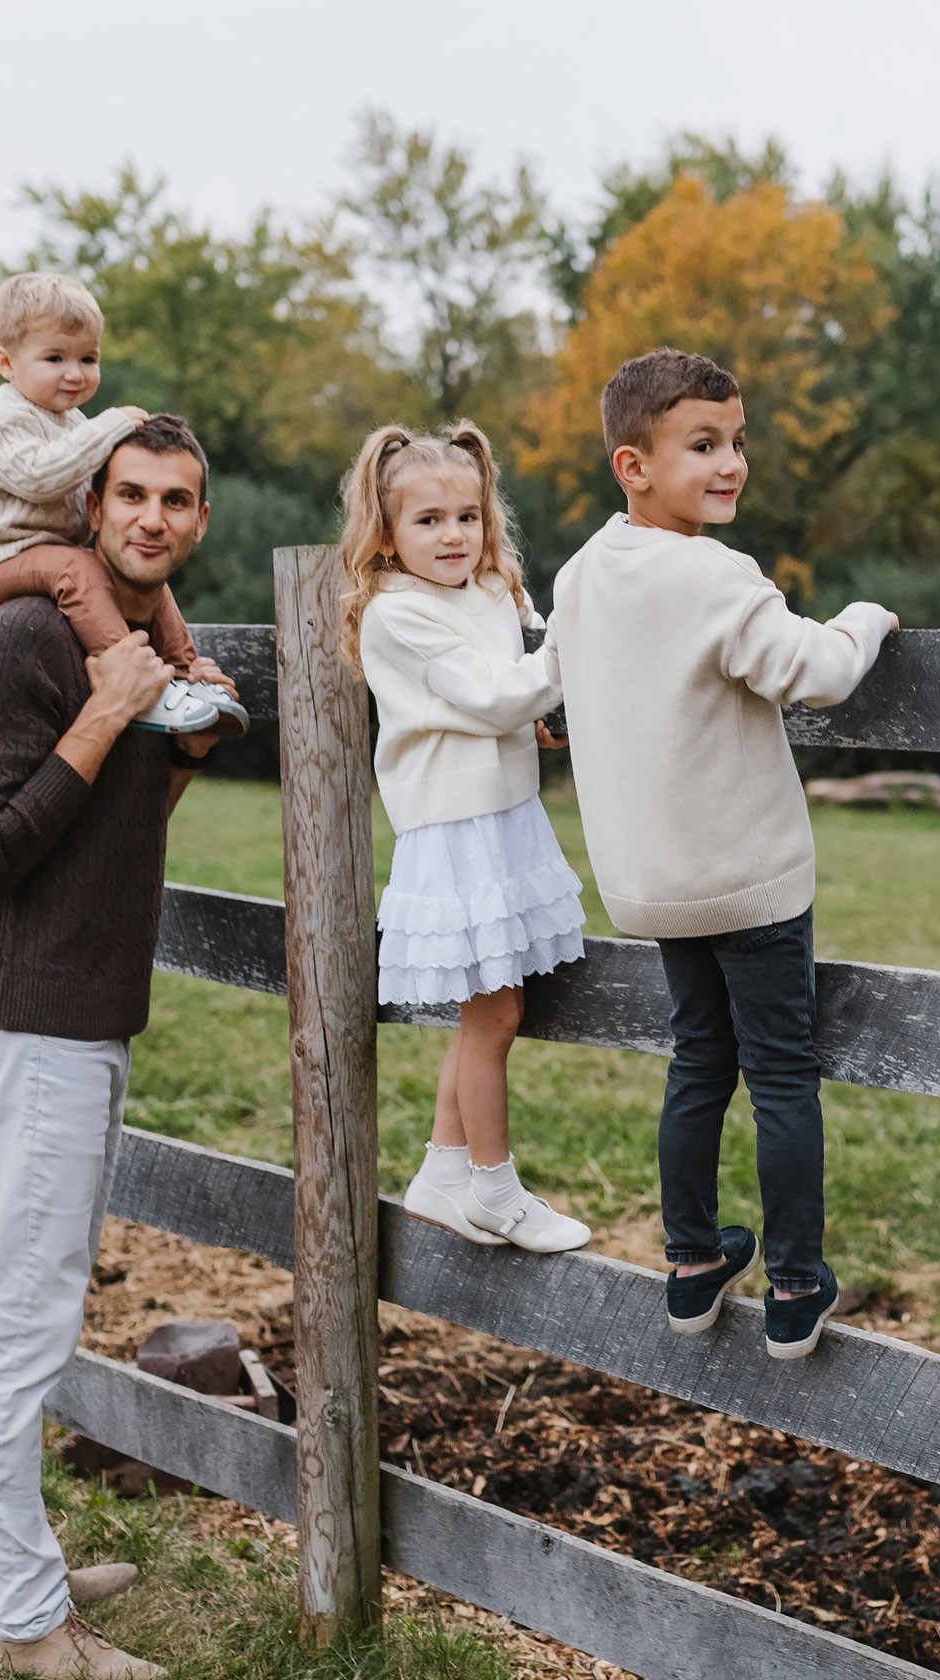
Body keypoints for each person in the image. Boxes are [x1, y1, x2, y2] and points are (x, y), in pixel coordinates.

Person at [0, 413, 239, 1680]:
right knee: (23, 1323)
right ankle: (23, 1625)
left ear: (198, 521)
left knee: (21, 1306)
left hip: (86, 1012)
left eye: (176, 500)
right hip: (32, 1018)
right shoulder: (29, 634)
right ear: (91, 507)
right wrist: (112, 708)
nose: (151, 518)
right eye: (131, 495)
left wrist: (180, 745)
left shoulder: (140, 646)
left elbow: (113, 820)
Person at [542, 349, 899, 1360]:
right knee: (781, 1071)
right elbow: (819, 671)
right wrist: (866, 617)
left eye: (737, 441)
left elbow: (556, 676)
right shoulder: (715, 575)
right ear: (634, 464)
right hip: (749, 880)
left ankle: (694, 1261)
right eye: (702, 445)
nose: (731, 463)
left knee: (699, 1058)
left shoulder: (581, 573)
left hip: (652, 884)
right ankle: (795, 1280)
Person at [342, 421, 592, 1254]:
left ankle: (444, 1172)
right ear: (387, 534)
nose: (453, 535)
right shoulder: (396, 613)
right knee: (495, 1015)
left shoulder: (493, 588)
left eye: (468, 516)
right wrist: (574, 647)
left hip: (506, 814)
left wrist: (542, 709)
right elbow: (489, 696)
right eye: (428, 520)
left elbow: (520, 672)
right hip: (455, 831)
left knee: (490, 1010)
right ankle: (495, 1187)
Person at [0, 271, 240, 736]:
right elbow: (39, 477)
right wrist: (108, 426)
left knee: (144, 581)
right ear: (6, 362)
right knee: (79, 568)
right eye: (54, 358)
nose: (75, 373)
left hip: (41, 559)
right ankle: (137, 683)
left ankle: (187, 676)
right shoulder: (0, 416)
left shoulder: (70, 421)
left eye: (88, 358)